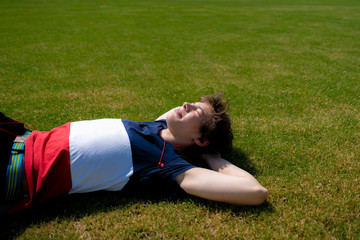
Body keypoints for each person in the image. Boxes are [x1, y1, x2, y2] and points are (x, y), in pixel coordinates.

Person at [0, 94, 268, 215]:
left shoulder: (169, 164)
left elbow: (255, 192)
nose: (185, 104)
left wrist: (211, 157)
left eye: (194, 111)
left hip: (18, 167)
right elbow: (169, 117)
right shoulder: (158, 125)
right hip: (19, 136)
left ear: (201, 139)